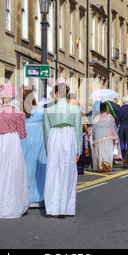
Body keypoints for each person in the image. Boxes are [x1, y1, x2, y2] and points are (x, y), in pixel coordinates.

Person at [0, 84, 30, 218]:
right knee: (13, 173)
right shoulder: (18, 114)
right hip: (12, 142)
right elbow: (22, 134)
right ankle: (12, 205)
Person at [43, 83, 83, 218]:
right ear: (66, 94)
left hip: (54, 138)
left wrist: (48, 149)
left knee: (54, 172)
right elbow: (78, 130)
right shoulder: (75, 109)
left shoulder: (48, 110)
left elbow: (46, 132)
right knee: (68, 171)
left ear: (55, 94)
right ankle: (65, 206)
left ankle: (54, 206)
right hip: (69, 137)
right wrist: (79, 150)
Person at [19, 87, 47, 208]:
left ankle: (24, 196)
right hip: (38, 141)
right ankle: (37, 197)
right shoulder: (40, 111)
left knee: (24, 168)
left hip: (23, 140)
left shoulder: (19, 111)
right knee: (38, 169)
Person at [91, 102, 119, 172]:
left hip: (98, 138)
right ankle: (107, 165)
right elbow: (113, 128)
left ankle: (101, 166)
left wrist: (94, 137)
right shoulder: (110, 117)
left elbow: (94, 128)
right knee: (107, 152)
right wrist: (115, 138)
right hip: (108, 137)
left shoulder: (96, 118)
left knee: (100, 153)